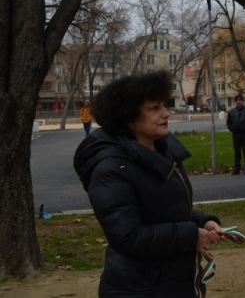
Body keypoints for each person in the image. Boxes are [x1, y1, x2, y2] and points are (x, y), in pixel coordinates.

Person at [73, 70, 224, 297]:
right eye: (155, 108)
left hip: (174, 281)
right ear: (128, 117)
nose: (166, 114)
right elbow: (129, 237)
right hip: (139, 288)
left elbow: (161, 210)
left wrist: (203, 221)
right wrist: (191, 235)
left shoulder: (163, 152)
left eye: (163, 106)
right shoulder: (111, 168)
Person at [227, 94, 245, 175]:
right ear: (235, 102)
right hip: (236, 135)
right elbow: (229, 123)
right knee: (237, 152)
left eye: (240, 100)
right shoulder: (231, 112)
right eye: (237, 100)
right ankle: (236, 168)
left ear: (243, 101)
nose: (238, 101)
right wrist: (232, 129)